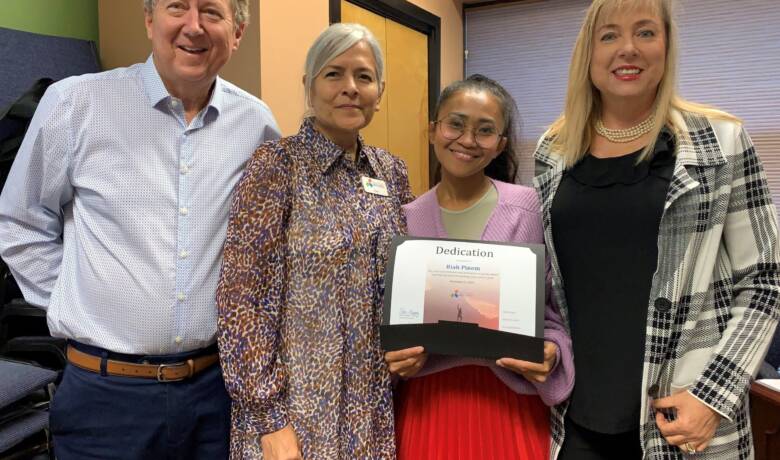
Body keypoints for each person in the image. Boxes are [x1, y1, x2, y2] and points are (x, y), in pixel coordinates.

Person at [0, 0, 280, 458]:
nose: (194, 26)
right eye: (177, 7)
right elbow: (19, 220)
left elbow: (263, 249)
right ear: (150, 19)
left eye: (212, 12)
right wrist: (73, 299)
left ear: (237, 33)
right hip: (105, 399)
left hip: (215, 396)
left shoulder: (257, 125)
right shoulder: (77, 102)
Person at [533, 0, 780, 458]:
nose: (628, 49)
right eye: (609, 36)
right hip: (574, 422)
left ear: (667, 46)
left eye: (646, 32)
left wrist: (713, 396)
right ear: (588, 53)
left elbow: (767, 278)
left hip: (682, 421)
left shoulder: (720, 141)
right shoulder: (554, 149)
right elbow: (550, 281)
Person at [216, 23, 413, 460]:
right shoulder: (276, 166)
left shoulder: (391, 173)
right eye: (333, 74)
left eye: (363, 76)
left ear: (379, 89)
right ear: (309, 86)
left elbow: (407, 286)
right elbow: (240, 301)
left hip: (371, 410)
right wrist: (270, 422)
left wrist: (412, 349)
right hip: (293, 419)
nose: (350, 88)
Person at [385, 74, 575, 460]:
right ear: (433, 130)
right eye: (456, 123)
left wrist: (552, 350)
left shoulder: (529, 209)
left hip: (509, 403)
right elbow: (387, 318)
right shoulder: (405, 218)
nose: (467, 140)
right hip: (428, 404)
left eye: (485, 130)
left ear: (500, 144)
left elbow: (557, 311)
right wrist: (394, 358)